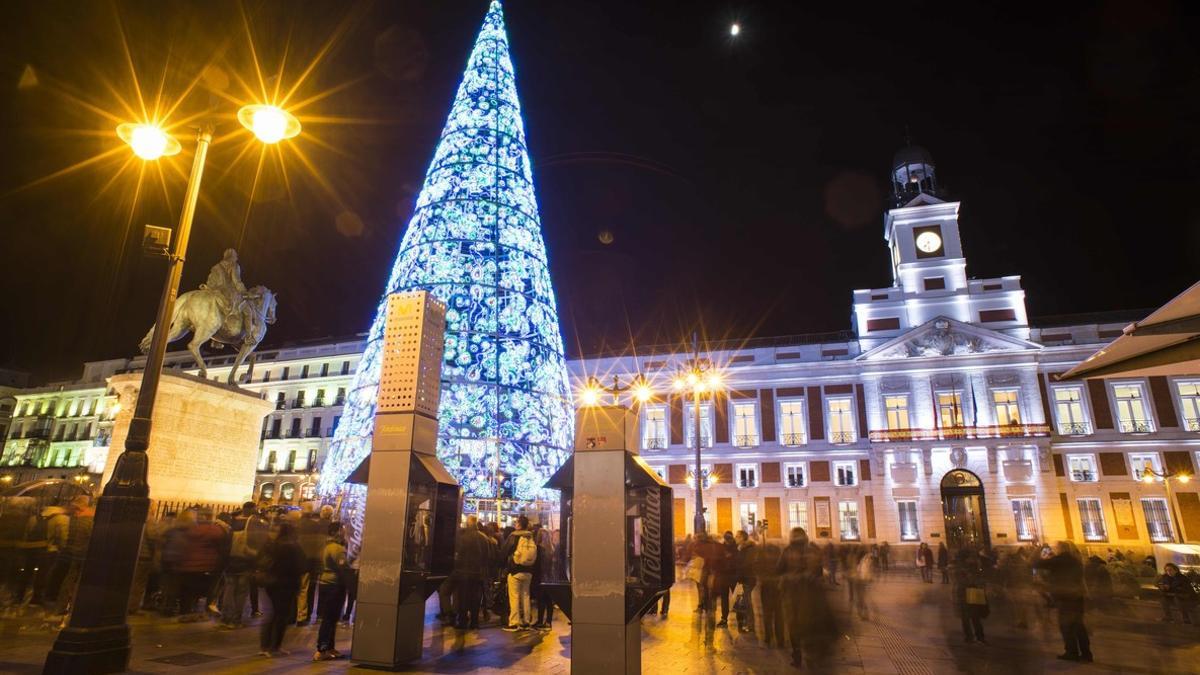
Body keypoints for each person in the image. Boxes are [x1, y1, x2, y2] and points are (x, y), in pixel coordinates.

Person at [778, 528, 837, 669]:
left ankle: (797, 654)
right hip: (811, 595)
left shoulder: (787, 551)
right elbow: (819, 573)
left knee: (794, 625)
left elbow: (779, 569)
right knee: (811, 622)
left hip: (793, 595)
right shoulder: (813, 550)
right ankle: (811, 653)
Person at [1033, 541, 1092, 663]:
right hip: (1077, 596)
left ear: (1060, 549)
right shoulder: (1076, 561)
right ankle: (1086, 654)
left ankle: (1071, 652)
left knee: (1066, 626)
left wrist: (1039, 549)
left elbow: (1035, 563)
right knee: (1079, 626)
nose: (1054, 550)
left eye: (1056, 548)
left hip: (1065, 598)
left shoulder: (1058, 560)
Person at [257, 522, 306, 657]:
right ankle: (275, 646)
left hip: (272, 584)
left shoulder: (274, 545)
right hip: (287, 585)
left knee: (271, 615)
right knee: (281, 617)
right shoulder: (293, 546)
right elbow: (302, 566)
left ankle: (265, 646)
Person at [314, 522, 349, 661]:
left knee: (331, 618)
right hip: (334, 585)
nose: (344, 532)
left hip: (325, 583)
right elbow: (344, 567)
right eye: (343, 529)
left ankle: (329, 647)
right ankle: (322, 649)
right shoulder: (337, 549)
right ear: (337, 531)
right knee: (330, 618)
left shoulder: (326, 545)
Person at [452, 515, 492, 630]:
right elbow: (486, 556)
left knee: (463, 597)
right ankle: (474, 621)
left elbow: (458, 554)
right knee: (475, 598)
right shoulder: (483, 538)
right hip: (478, 573)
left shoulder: (462, 537)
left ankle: (463, 621)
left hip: (463, 572)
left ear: (468, 523)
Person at [500, 515, 537, 631]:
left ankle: (514, 622)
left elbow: (504, 551)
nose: (515, 524)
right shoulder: (530, 537)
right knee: (526, 596)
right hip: (529, 571)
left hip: (515, 570)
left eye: (516, 522)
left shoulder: (514, 536)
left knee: (514, 597)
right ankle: (526, 621)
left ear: (519, 525)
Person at [952, 549, 988, 643]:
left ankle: (969, 636)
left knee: (966, 617)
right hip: (973, 591)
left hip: (964, 592)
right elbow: (979, 578)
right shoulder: (974, 565)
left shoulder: (960, 566)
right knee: (975, 616)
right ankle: (979, 636)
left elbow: (957, 580)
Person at [753, 540, 783, 647]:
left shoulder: (761, 554)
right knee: (779, 614)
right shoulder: (780, 555)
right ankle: (780, 639)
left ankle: (768, 637)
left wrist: (761, 578)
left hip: (766, 586)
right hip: (778, 586)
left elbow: (756, 568)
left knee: (767, 613)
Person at [532, 524, 556, 631]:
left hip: (540, 577)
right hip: (549, 577)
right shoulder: (551, 549)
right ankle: (548, 622)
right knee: (548, 601)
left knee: (540, 600)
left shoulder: (538, 549)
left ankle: (540, 621)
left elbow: (536, 565)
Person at [733, 531, 757, 633]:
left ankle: (750, 625)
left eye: (737, 536)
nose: (736, 538)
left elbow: (746, 565)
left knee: (747, 602)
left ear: (743, 538)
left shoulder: (747, 549)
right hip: (745, 578)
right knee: (745, 601)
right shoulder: (742, 549)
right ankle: (746, 623)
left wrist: (739, 577)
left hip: (747, 578)